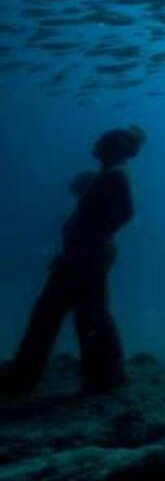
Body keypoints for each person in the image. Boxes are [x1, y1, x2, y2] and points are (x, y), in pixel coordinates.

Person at [2, 127, 144, 397]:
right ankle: (102, 376)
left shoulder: (114, 175)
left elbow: (125, 213)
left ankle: (27, 376)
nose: (96, 143)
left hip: (85, 257)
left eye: (102, 141)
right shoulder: (108, 175)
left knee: (62, 314)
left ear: (113, 147)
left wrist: (92, 242)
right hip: (81, 255)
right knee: (82, 314)